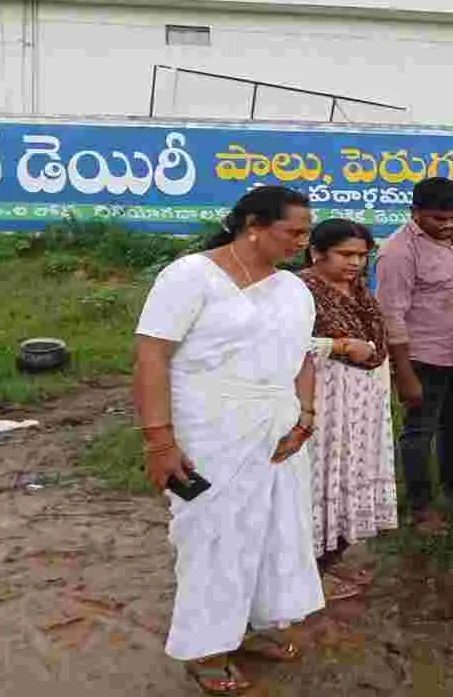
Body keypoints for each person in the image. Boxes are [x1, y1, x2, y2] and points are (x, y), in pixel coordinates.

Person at [132, 185, 323, 695]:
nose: (303, 243)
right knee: (213, 537)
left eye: (307, 233)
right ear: (252, 226)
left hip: (279, 430)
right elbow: (151, 357)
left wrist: (304, 417)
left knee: (273, 532)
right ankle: (205, 648)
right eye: (293, 232)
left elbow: (303, 357)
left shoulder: (293, 289)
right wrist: (159, 442)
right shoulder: (190, 276)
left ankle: (251, 626)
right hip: (209, 430)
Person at [375, 177, 453, 535]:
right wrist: (404, 374)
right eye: (438, 218)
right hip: (423, 357)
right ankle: (420, 508)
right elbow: (391, 316)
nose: (448, 224)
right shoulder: (397, 252)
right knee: (419, 432)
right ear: (415, 212)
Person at [299, 218, 397, 601]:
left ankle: (331, 558)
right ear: (316, 253)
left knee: (349, 477)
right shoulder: (299, 290)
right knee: (320, 480)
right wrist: (337, 346)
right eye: (345, 254)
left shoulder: (359, 292)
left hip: (361, 403)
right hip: (323, 399)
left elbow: (375, 345)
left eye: (361, 255)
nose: (355, 262)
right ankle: (307, 572)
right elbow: (283, 342)